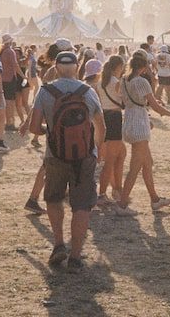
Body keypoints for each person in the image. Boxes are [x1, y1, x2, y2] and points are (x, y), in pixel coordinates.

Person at [28, 50, 106, 273]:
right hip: (84, 156)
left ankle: (59, 243)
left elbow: (34, 127)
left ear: (56, 67)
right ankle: (75, 257)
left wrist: (50, 131)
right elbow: (101, 126)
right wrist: (97, 150)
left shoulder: (45, 92)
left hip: (55, 155)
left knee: (54, 199)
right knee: (82, 205)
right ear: (77, 66)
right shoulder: (88, 91)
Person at [115, 53, 170, 216]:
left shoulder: (124, 80)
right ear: (143, 68)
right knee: (136, 166)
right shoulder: (142, 81)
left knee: (147, 163)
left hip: (130, 120)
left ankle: (155, 199)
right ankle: (122, 204)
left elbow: (126, 99)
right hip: (139, 123)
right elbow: (155, 106)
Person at [95, 55, 126, 204]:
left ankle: (117, 189)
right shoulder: (116, 82)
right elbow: (124, 100)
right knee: (111, 160)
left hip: (105, 117)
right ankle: (103, 193)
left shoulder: (101, 82)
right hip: (114, 118)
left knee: (118, 155)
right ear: (118, 67)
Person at [0, 35, 20, 131]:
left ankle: (7, 122)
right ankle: (10, 123)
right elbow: (15, 65)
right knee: (10, 103)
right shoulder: (10, 51)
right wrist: (23, 76)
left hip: (3, 79)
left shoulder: (1, 51)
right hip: (10, 79)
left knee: (6, 102)